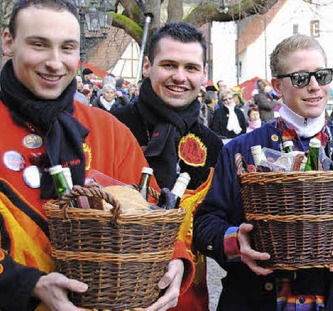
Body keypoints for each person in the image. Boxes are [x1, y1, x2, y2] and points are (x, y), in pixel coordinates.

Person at [0, 1, 194, 310]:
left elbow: (153, 214)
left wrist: (176, 261)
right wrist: (28, 284)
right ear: (8, 42)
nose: (55, 62)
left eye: (67, 48)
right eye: (39, 45)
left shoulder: (109, 130)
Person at [193, 34, 333, 310]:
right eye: (301, 78)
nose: (315, 87)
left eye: (322, 76)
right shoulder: (238, 150)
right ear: (277, 86)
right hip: (255, 298)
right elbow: (205, 226)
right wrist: (235, 242)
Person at [111, 21, 223, 311]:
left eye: (191, 67)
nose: (180, 77)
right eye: (169, 65)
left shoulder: (212, 144)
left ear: (204, 75)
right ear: (147, 66)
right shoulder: (109, 127)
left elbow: (214, 223)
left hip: (188, 299)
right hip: (113, 296)